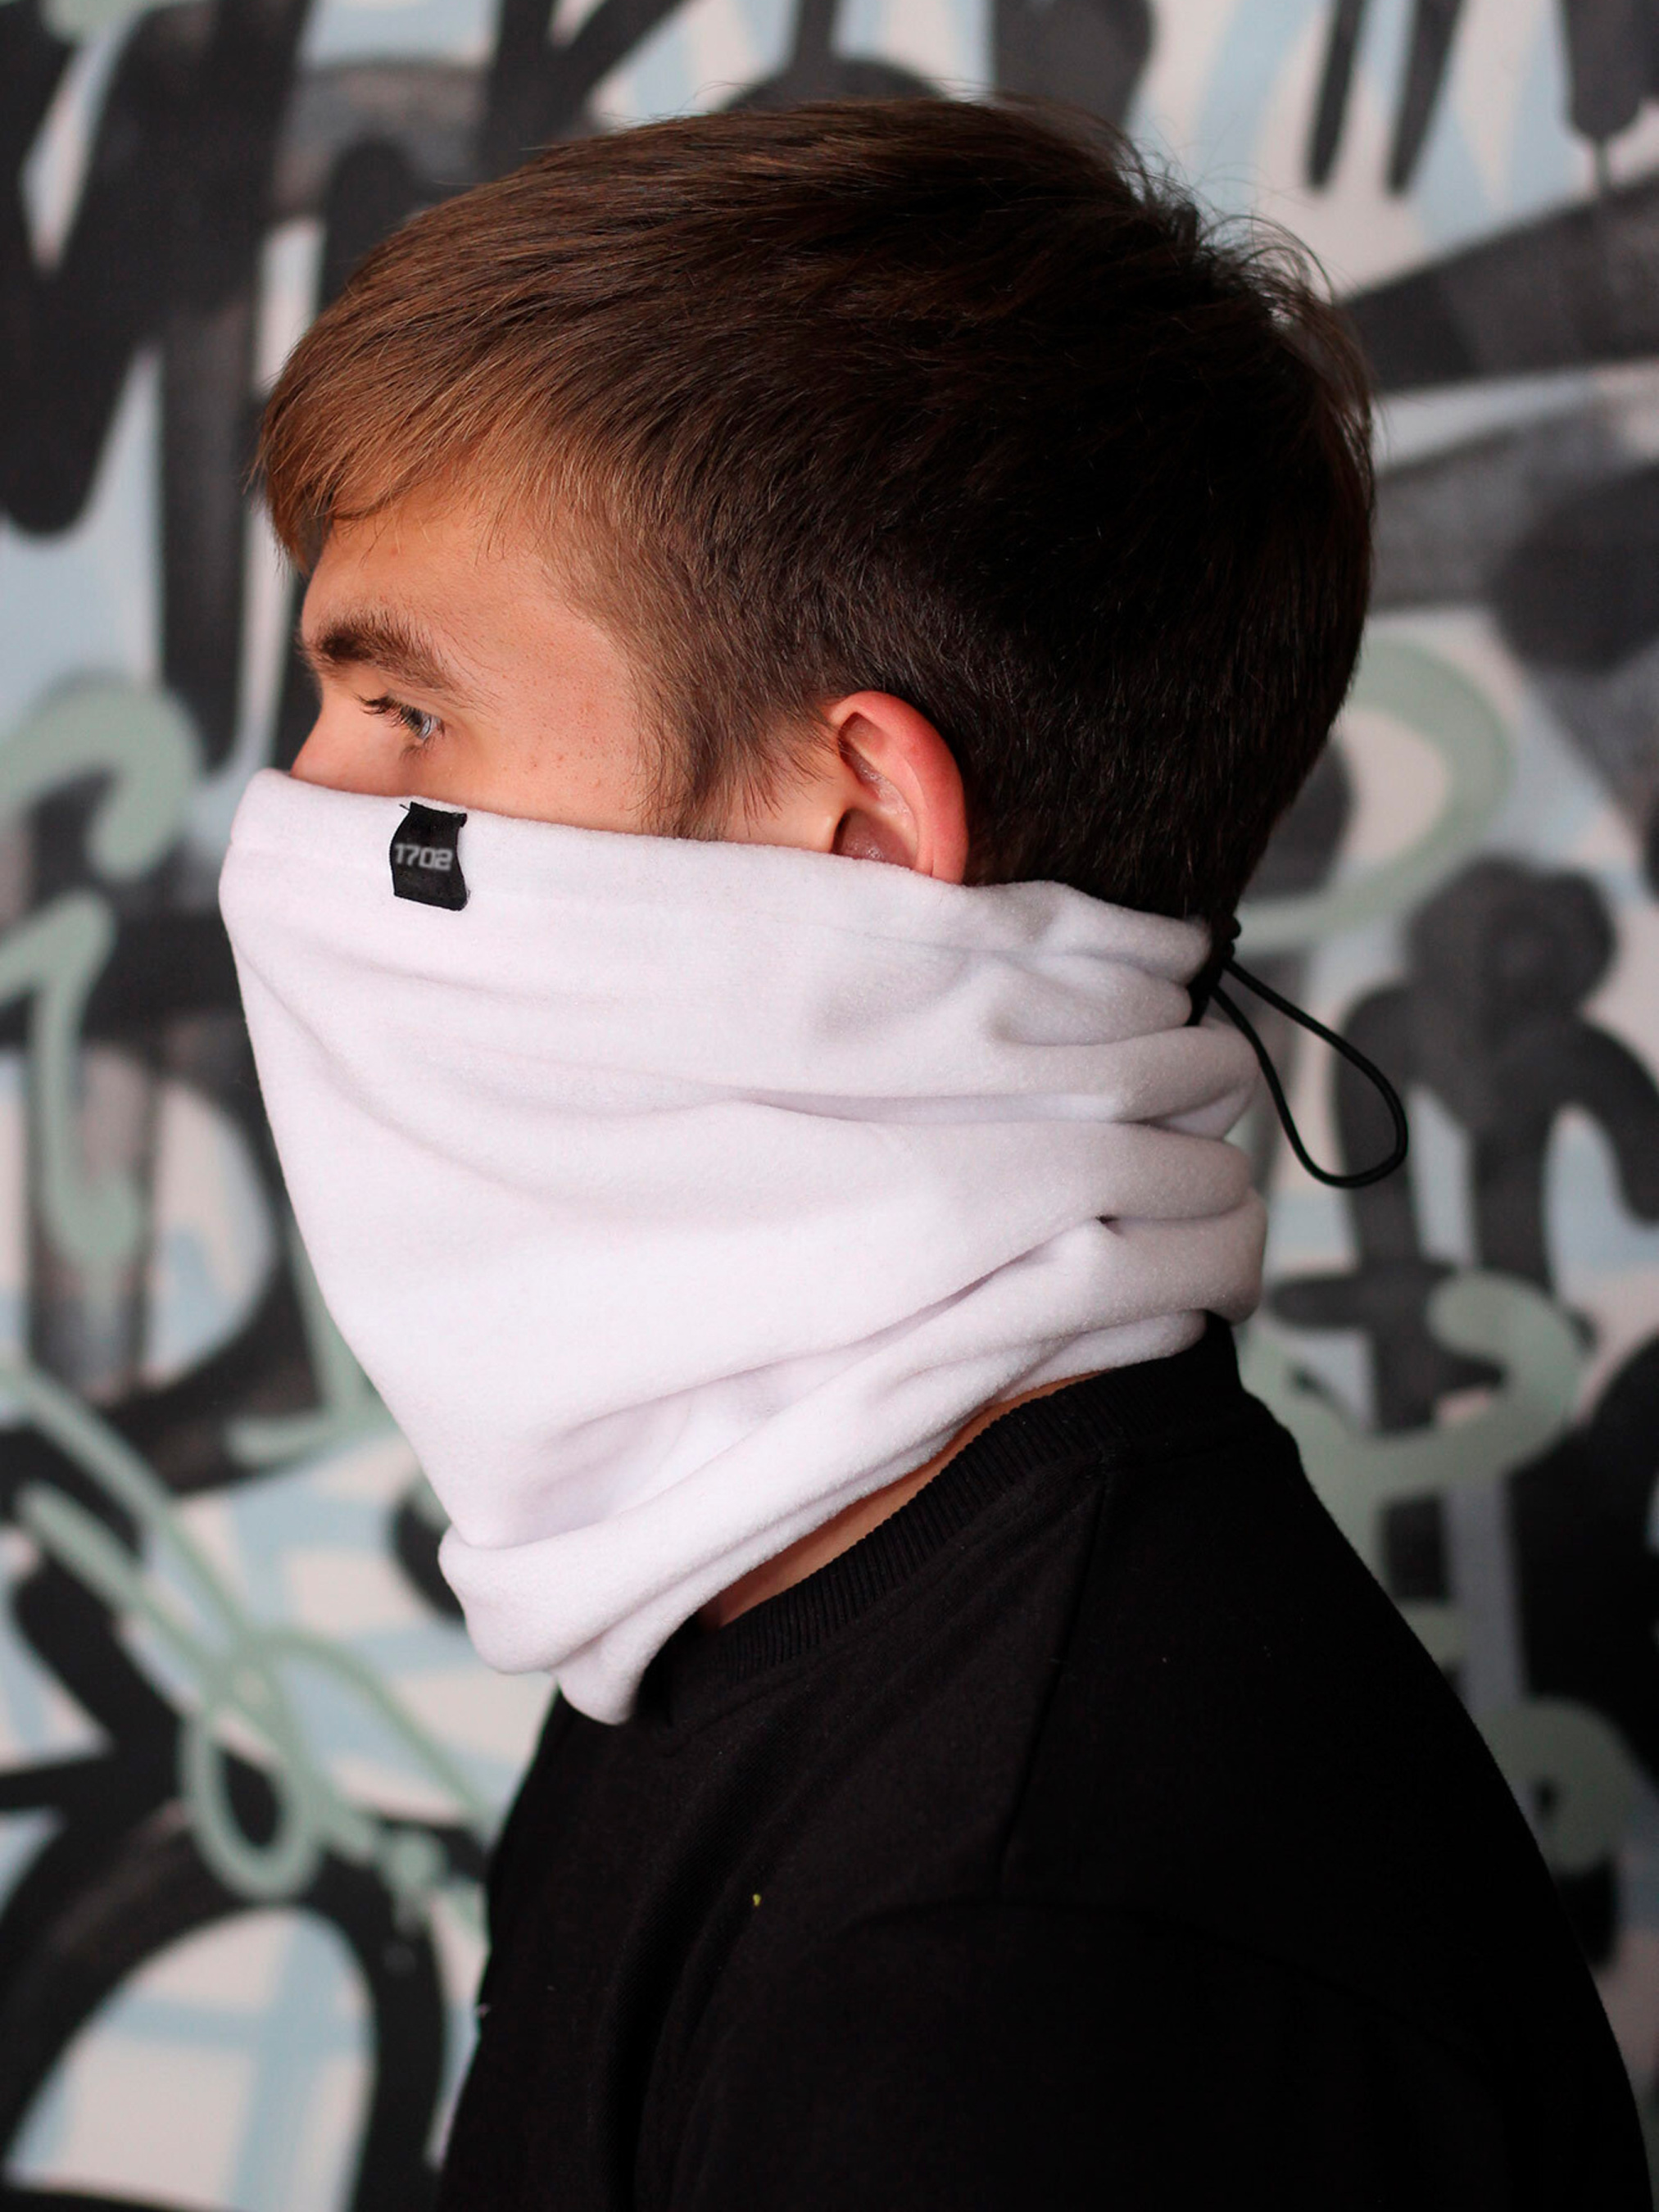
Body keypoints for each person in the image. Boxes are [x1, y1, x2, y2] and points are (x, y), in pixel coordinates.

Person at [216, 97, 1650, 2210]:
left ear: (863, 825)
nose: (296, 817)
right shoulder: (743, 1617)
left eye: (411, 716)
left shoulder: (1024, 1955)